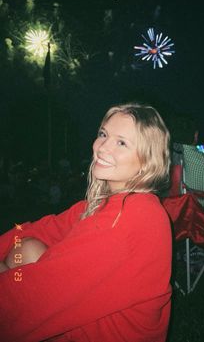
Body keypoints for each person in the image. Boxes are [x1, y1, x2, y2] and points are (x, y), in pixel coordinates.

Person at [0, 102, 172, 342]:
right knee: (24, 246)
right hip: (81, 320)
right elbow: (35, 228)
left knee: (18, 283)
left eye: (121, 142)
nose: (102, 148)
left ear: (147, 160)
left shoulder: (130, 217)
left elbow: (38, 296)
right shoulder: (105, 203)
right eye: (103, 134)